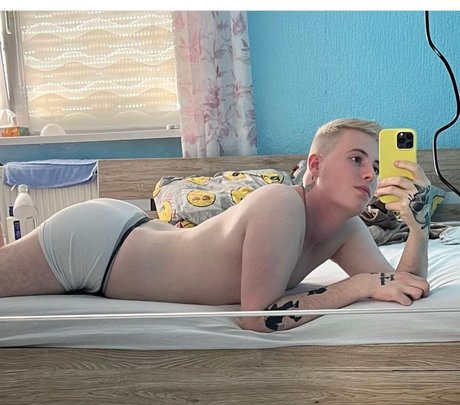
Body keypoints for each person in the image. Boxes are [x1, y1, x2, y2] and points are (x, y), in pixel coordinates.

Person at [0, 118, 431, 332]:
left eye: (377, 166)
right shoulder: (282, 203)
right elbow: (257, 318)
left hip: (130, 235)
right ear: (314, 166)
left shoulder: (347, 230)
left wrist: (418, 226)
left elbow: (403, 286)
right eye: (356, 159)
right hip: (98, 247)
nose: (370, 174)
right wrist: (355, 286)